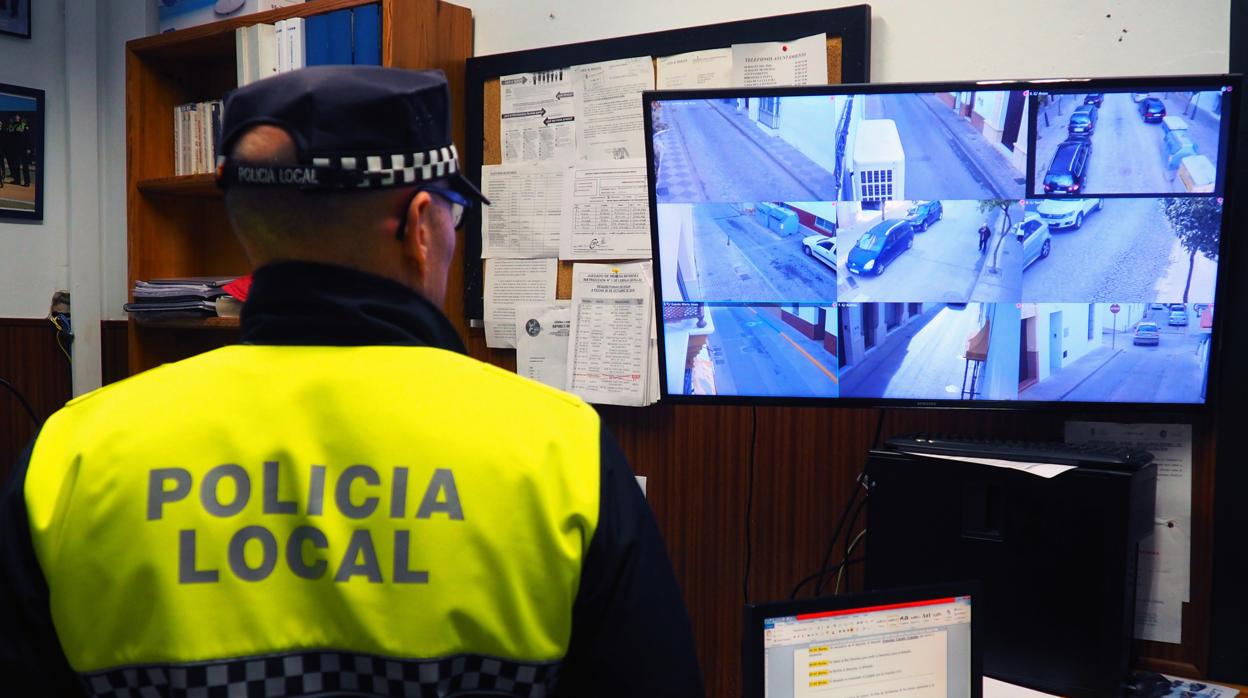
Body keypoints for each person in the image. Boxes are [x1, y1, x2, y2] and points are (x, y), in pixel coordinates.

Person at [0, 66, 704, 697]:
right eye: (453, 215)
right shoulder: (562, 449)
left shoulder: (73, 452)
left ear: (250, 225)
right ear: (422, 226)